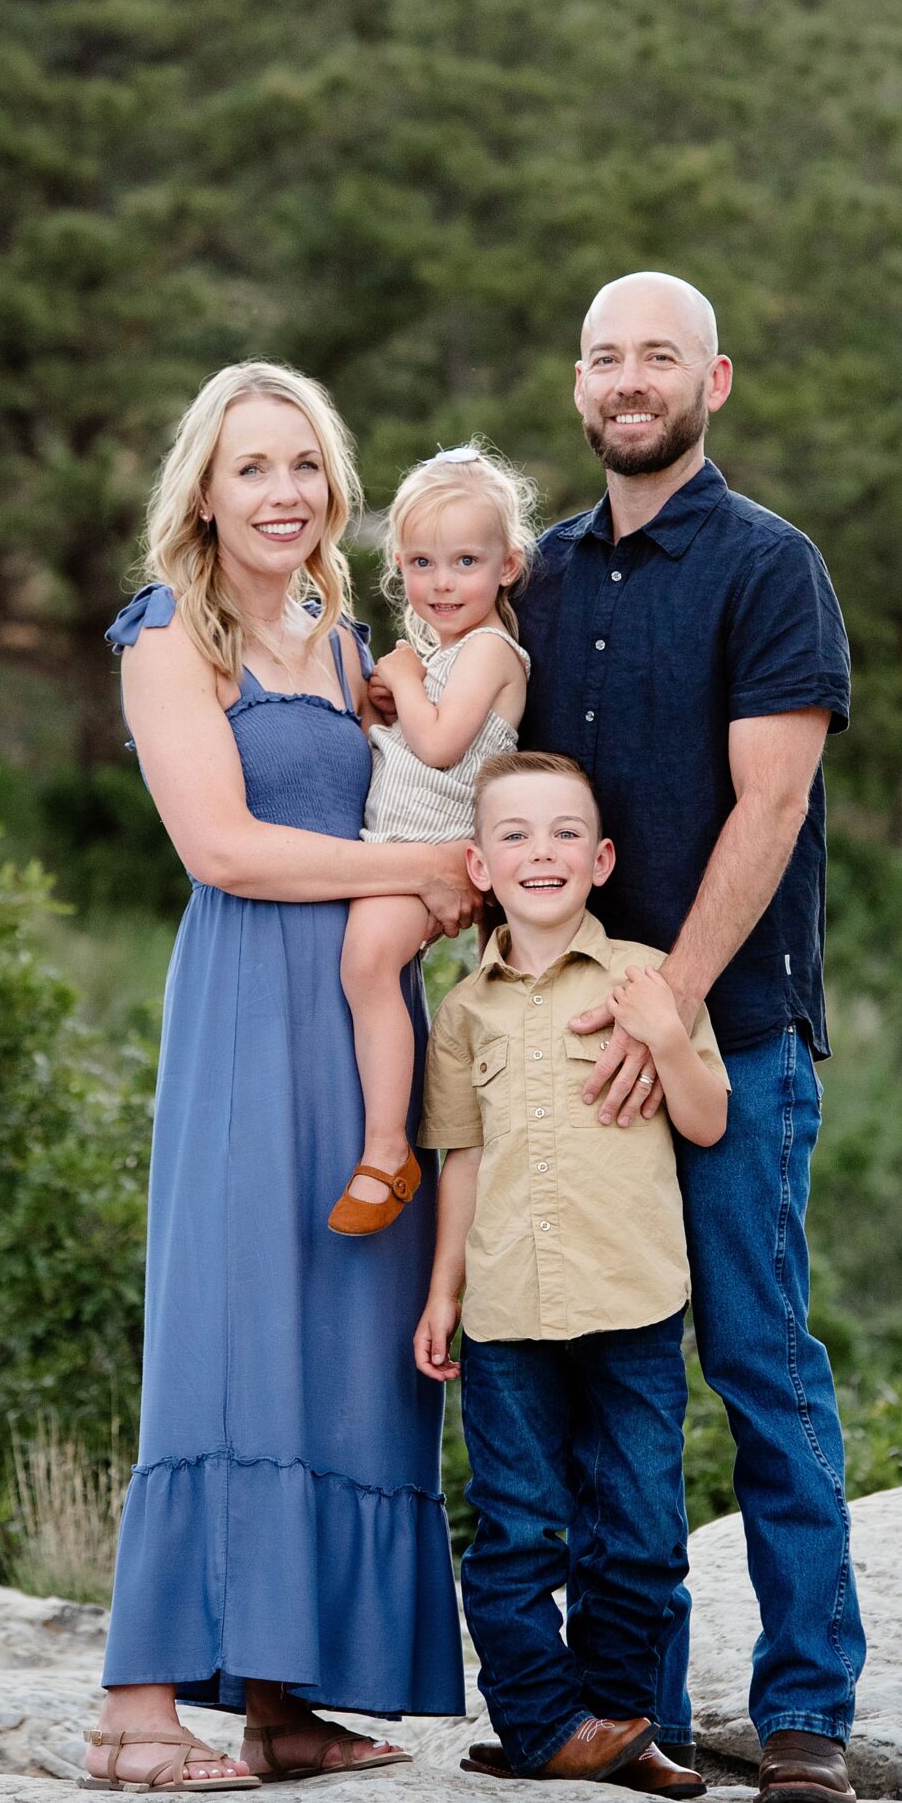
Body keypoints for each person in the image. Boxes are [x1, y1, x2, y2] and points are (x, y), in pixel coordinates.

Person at [82, 361, 470, 1797]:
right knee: (235, 1328)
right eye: (252, 466)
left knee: (348, 1337)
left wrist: (474, 873)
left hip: (370, 1018)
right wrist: (415, 870)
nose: (282, 492)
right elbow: (223, 851)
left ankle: (284, 1701)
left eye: (303, 465)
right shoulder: (167, 633)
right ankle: (134, 1711)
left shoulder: (345, 627)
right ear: (202, 486)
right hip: (252, 1006)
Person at [516, 269, 866, 1803]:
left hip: (728, 1032)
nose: (629, 378)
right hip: (575, 1054)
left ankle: (803, 1712)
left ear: (712, 382)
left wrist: (672, 991)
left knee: (759, 1362)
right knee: (610, 1377)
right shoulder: (541, 575)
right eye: (605, 356)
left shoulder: (769, 566)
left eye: (658, 354)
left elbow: (773, 802)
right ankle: (627, 1711)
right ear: (580, 387)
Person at [414, 751, 727, 1799]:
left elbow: (706, 1118)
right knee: (513, 1531)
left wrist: (663, 1038)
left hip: (630, 1297)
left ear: (598, 859)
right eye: (512, 835)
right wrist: (442, 1290)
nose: (537, 852)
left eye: (561, 834)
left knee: (639, 1532)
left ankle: (619, 1721)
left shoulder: (649, 976)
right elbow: (458, 1156)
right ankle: (544, 1722)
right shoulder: (463, 1012)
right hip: (505, 1308)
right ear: (478, 863)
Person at [332, 445, 534, 1236]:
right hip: (391, 840)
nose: (441, 582)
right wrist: (389, 702)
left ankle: (389, 1150)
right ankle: (385, 1136)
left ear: (507, 565)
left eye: (464, 561)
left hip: (436, 849)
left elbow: (445, 744)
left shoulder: (488, 650)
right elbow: (410, 739)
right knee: (363, 968)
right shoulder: (443, 653)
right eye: (421, 562)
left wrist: (407, 682)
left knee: (367, 962)